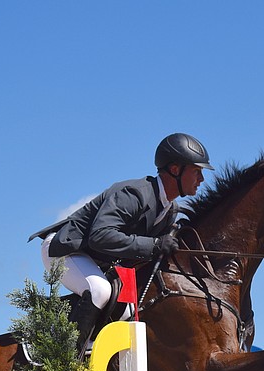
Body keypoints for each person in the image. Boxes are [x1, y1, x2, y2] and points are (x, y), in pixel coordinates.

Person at [29, 133, 214, 354]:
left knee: (129, 311)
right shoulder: (134, 194)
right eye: (197, 171)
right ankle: (66, 361)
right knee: (99, 290)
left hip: (94, 257)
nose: (201, 179)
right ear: (175, 169)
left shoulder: (170, 210)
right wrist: (154, 245)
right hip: (64, 249)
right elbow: (100, 236)